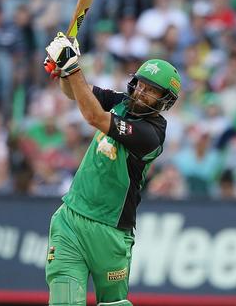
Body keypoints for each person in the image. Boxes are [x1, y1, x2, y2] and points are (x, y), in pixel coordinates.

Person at [42, 32, 181, 305]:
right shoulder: (120, 100)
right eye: (141, 84)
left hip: (112, 231)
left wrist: (73, 67)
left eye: (152, 91)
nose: (142, 93)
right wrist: (63, 69)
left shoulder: (151, 133)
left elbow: (93, 115)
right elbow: (75, 92)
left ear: (164, 100)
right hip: (71, 218)